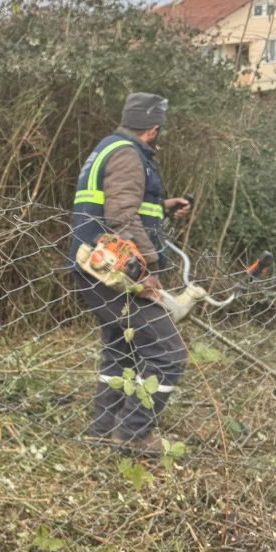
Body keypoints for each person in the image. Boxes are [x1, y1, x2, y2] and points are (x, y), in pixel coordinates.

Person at [69, 92, 190, 457]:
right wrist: (144, 271)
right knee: (169, 354)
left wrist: (163, 207)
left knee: (120, 349)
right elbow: (121, 216)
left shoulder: (109, 147)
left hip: (94, 266)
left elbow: (123, 202)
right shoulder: (127, 154)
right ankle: (134, 434)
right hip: (112, 270)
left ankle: (102, 430)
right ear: (153, 130)